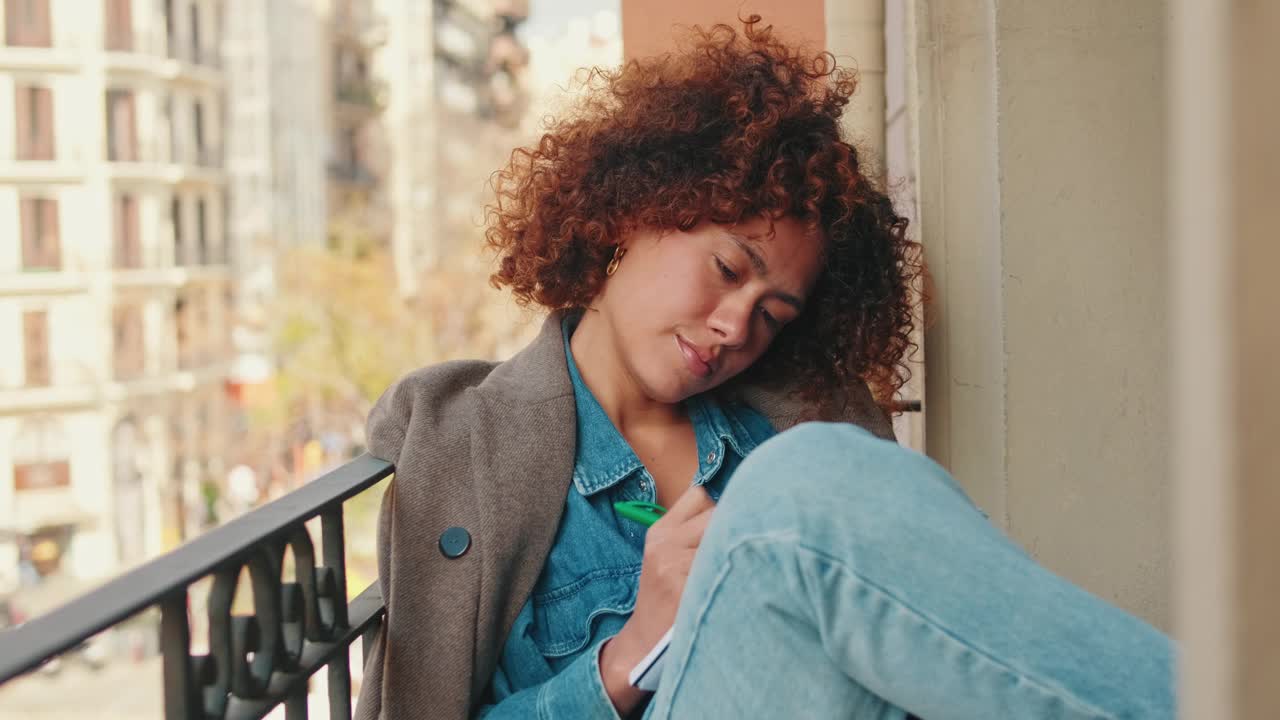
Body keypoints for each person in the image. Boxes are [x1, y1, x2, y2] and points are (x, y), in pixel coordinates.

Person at [354, 16, 1174, 720]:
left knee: (812, 476)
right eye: (727, 268)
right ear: (630, 217)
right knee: (798, 484)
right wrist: (631, 653)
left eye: (774, 313)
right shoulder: (475, 448)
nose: (736, 325)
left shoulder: (786, 425)